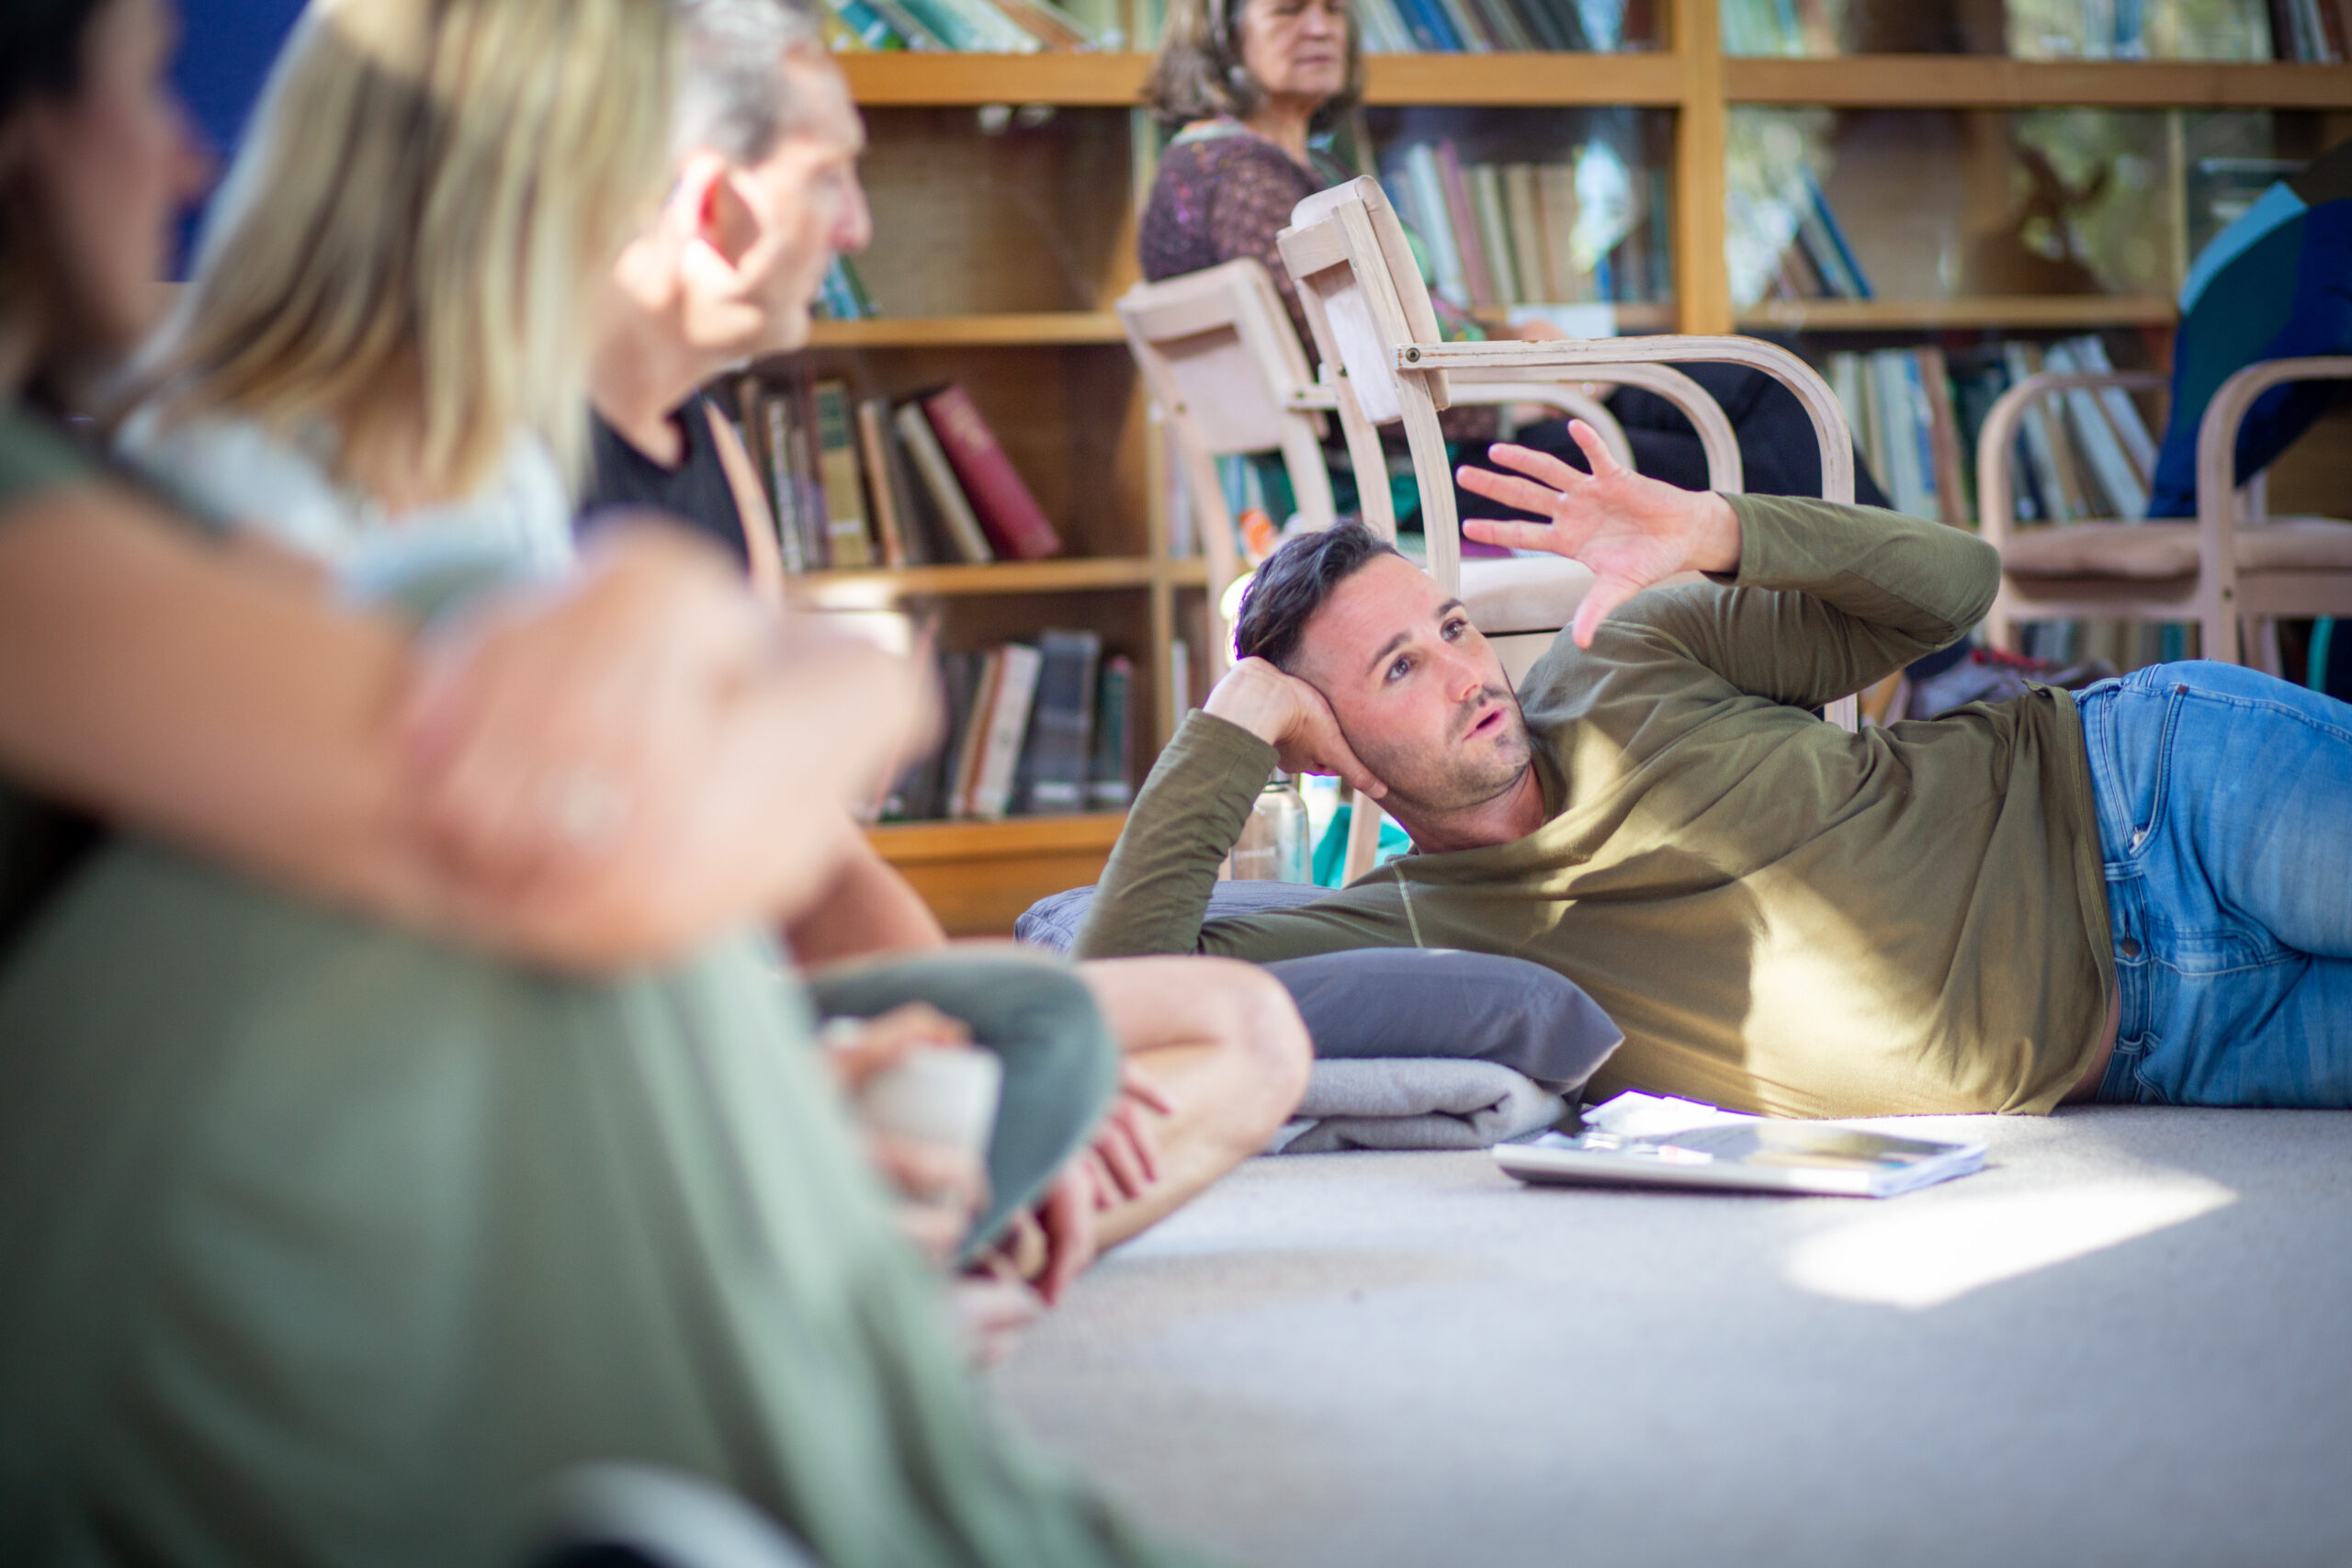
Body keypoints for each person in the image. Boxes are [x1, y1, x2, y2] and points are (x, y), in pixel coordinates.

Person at [0, 2, 1201, 1562]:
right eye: (142, 86)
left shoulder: (140, 492)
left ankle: (794, 1357)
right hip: (150, 1257)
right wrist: (790, 655)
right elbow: (597, 843)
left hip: (358, 1107)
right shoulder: (135, 502)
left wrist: (733, 646)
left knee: (1032, 1024)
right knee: (508, 719)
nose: (184, 157)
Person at [586, 0, 1312, 1283]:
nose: (857, 229)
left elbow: (812, 855)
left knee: (1249, 1031)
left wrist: (967, 1025)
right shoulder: (504, 472)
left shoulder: (714, 454)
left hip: (755, 1017)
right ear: (710, 206)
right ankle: (881, 1271)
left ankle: (905, 1255)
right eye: (830, 179)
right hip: (629, 1055)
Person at [1072, 421, 2352, 1117]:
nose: (1466, 671)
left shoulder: (1625, 652)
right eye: (1400, 667)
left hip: (2148, 794)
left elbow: (1956, 586)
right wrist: (1235, 721)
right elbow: (1116, 995)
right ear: (1334, 746)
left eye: (1452, 627)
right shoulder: (1412, 935)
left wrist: (1720, 530)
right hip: (2162, 1043)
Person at [1136, 0, 1895, 523]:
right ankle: (1922, 658)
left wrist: (1514, 346)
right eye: (1288, 10)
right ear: (1221, 35)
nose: (1320, 26)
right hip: (1423, 473)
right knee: (1759, 467)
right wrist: (1524, 388)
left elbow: (1383, 335)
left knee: (1763, 382)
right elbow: (1355, 379)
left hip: (1456, 425)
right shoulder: (1238, 178)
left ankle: (1915, 659)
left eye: (1334, 10)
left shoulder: (1268, 167)